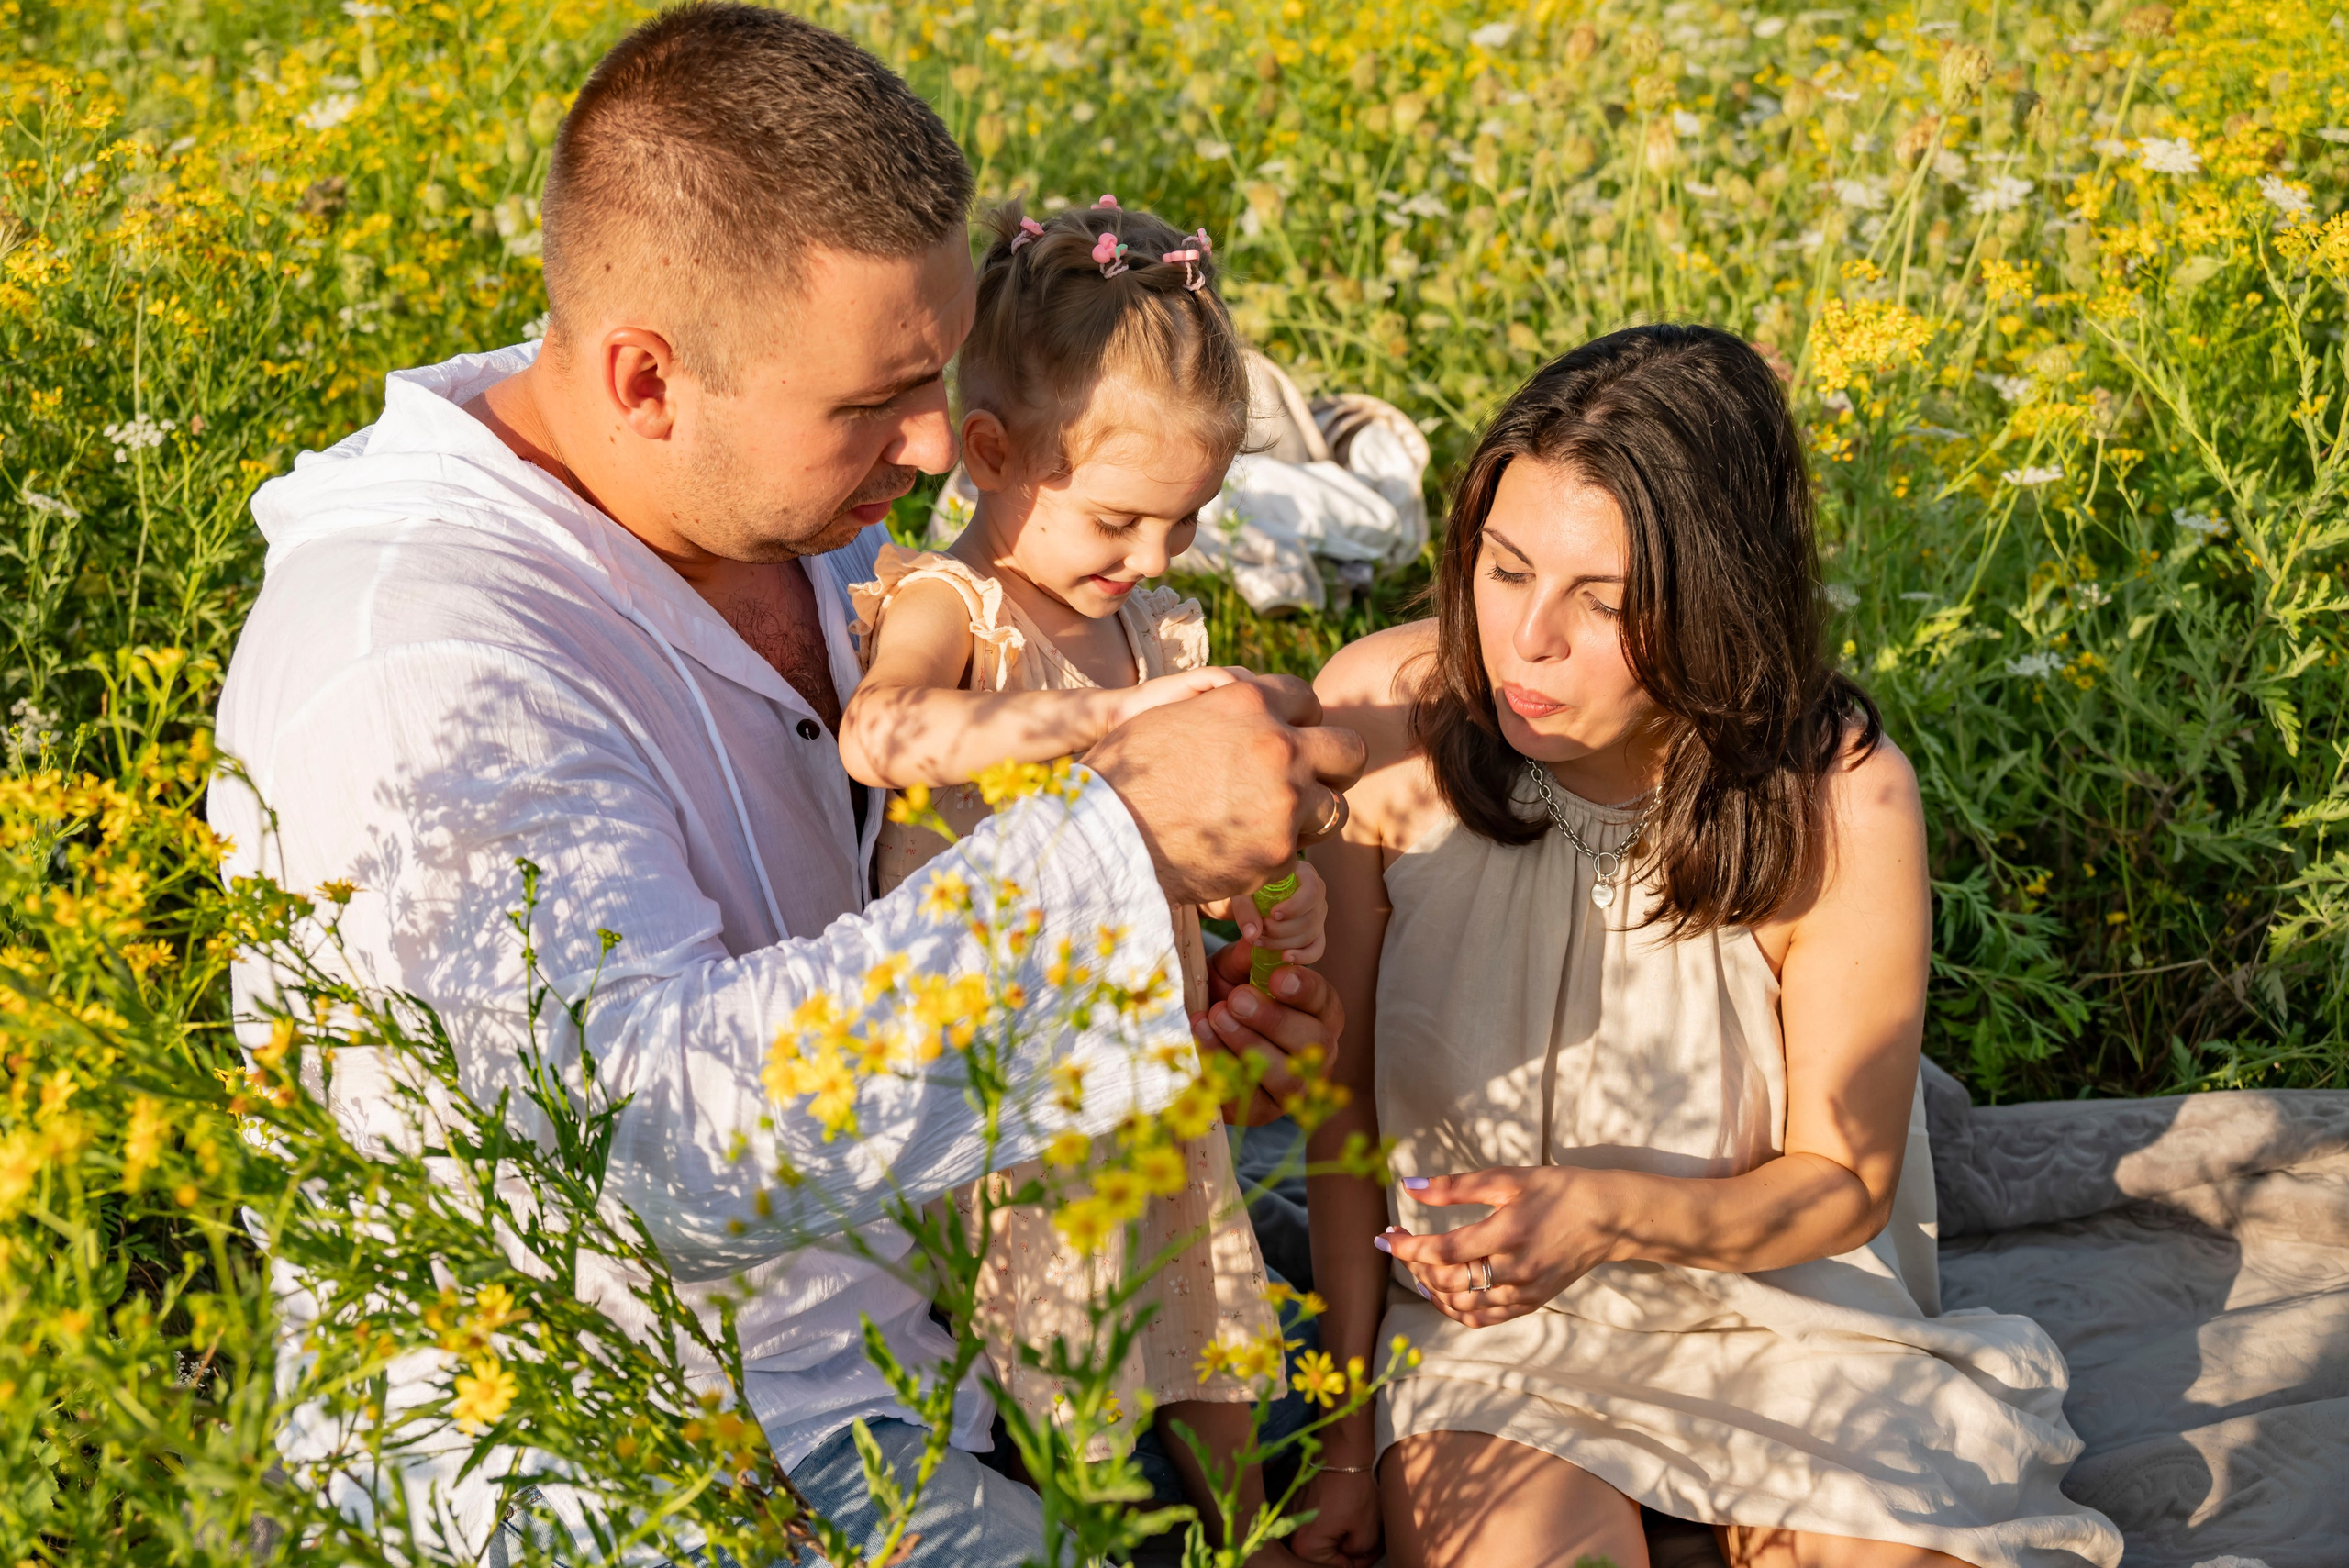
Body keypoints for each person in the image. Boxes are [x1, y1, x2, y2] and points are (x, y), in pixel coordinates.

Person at [206, 7, 1360, 1565]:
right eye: (874, 400)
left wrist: (1175, 985)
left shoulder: (774, 510)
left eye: (938, 371)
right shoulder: (421, 669)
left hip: (950, 1309)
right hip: (682, 1442)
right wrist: (1120, 843)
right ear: (646, 378)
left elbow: (902, 891)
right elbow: (665, 1153)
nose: (942, 437)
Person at [1302, 326, 2123, 1568]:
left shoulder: (1837, 796)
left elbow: (1841, 1179)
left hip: (1787, 1316)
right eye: (1505, 568)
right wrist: (1341, 1440)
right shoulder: (1379, 723)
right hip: (1495, 1346)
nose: (1528, 641)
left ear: (1715, 600)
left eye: (1604, 603)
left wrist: (1600, 1213)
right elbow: (1339, 1107)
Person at [838, 195, 1329, 1565]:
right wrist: (1084, 727)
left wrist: (1279, 905)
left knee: (1207, 1303)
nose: (1157, 559)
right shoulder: (960, 603)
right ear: (991, 453)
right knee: (1057, 1339)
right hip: (1004, 1086)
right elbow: (883, 734)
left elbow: (1224, 834)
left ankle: (1248, 1527)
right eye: (1121, 519)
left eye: (1187, 522)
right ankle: (1093, 1525)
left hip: (1149, 1064)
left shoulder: (1152, 623)